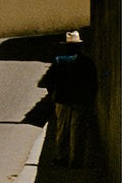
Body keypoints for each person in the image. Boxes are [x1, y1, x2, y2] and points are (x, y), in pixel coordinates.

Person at [40, 31, 99, 167]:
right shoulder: (87, 62)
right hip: (81, 101)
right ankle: (76, 161)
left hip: (62, 100)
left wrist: (53, 95)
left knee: (62, 130)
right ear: (80, 46)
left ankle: (61, 158)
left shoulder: (59, 61)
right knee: (78, 131)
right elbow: (93, 83)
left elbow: (48, 81)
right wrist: (90, 100)